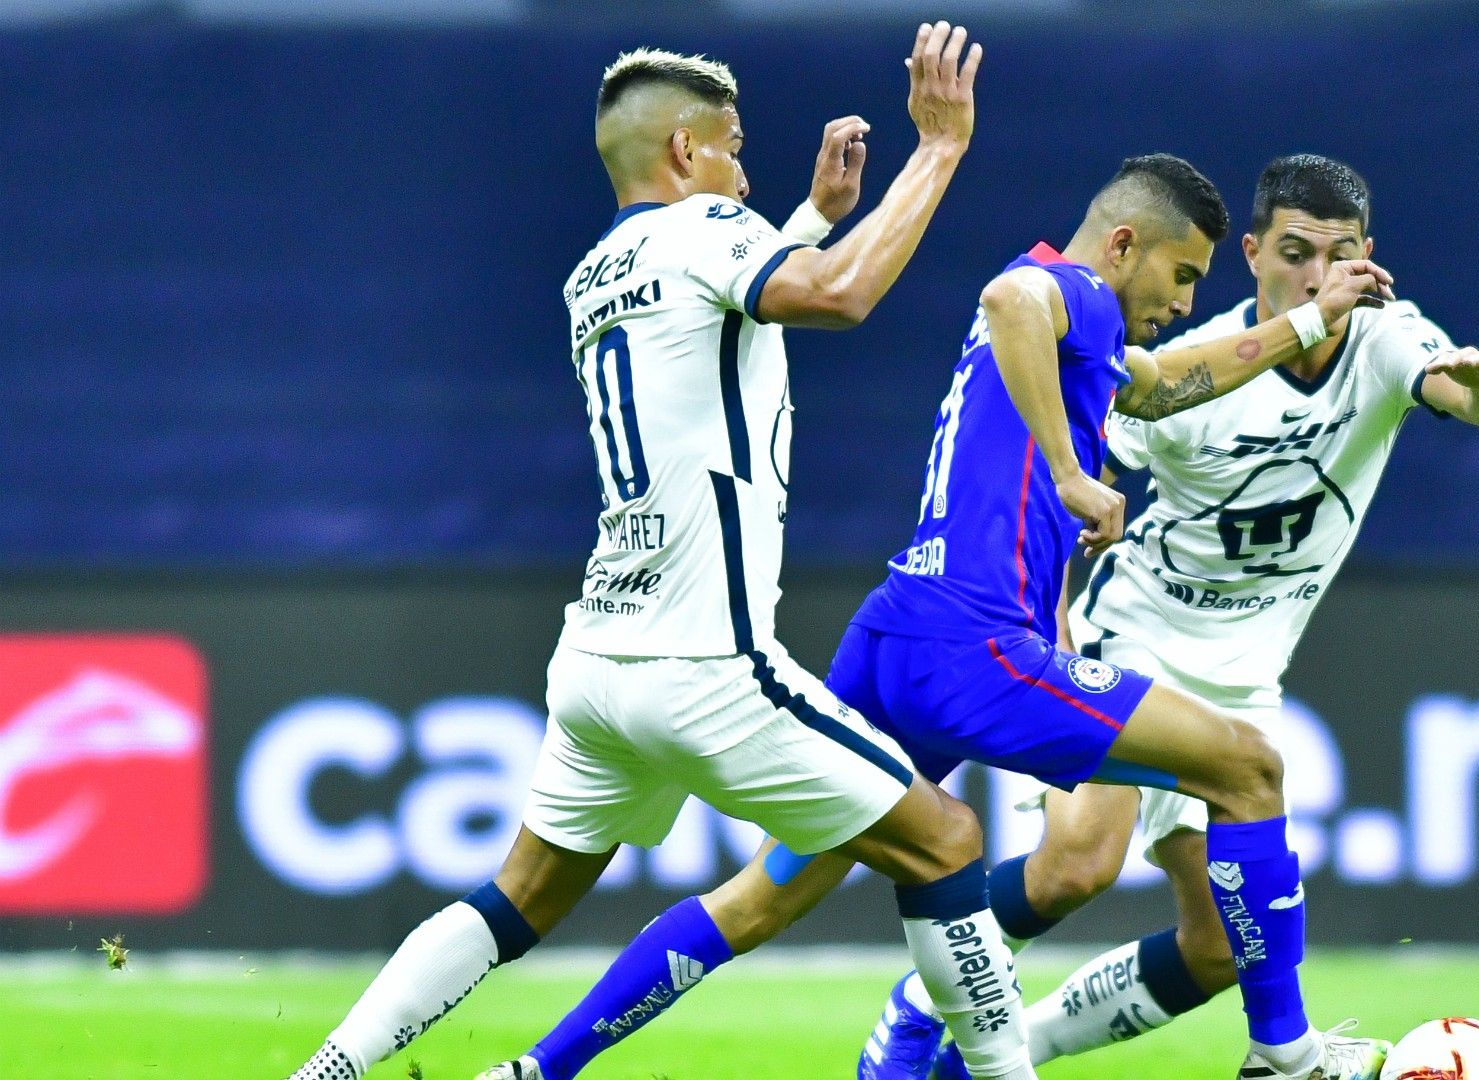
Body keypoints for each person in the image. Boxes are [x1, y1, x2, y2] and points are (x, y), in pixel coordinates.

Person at [491, 153, 1400, 1080]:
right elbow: (1012, 299)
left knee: (761, 897)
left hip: (893, 637)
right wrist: (1070, 471)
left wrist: (1310, 320)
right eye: (1181, 275)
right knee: (1248, 769)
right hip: (977, 651)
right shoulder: (1076, 292)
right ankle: (1284, 1055)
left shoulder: (1080, 334)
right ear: (1124, 245)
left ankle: (537, 1069)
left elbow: (1167, 381)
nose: (1184, 300)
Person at [283, 23, 1039, 1080]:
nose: (743, 176)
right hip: (706, 663)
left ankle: (329, 1069)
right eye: (732, 149)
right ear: (686, 152)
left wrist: (814, 218)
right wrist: (940, 149)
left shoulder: (595, 275)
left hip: (599, 661)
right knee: (946, 839)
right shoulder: (707, 228)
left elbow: (715, 321)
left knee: (516, 898)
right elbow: (837, 294)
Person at [884, 154, 1479, 1080]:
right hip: (1138, 630)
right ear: (1256, 255)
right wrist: (1053, 620)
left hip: (1247, 670)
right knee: (1078, 863)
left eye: (1340, 256)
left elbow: (1473, 401)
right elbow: (1063, 490)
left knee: (1220, 947)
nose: (1318, 276)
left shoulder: (1388, 340)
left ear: (1368, 257)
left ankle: (994, 1056)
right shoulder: (1202, 370)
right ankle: (919, 1005)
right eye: (1296, 254)